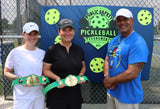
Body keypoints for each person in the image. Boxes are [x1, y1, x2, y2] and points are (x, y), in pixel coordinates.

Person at [103, 8, 149, 109]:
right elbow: (107, 60)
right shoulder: (113, 41)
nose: (122, 22)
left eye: (125, 19)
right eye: (119, 20)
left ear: (132, 21)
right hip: (111, 92)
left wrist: (111, 81)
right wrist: (107, 77)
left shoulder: (138, 43)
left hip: (128, 96)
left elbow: (132, 73)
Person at [43, 18, 86, 109]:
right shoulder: (52, 50)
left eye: (70, 30)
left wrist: (81, 75)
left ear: (74, 31)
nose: (67, 33)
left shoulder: (79, 49)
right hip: (56, 96)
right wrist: (57, 78)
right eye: (64, 30)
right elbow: (45, 70)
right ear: (59, 32)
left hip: (75, 96)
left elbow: (83, 66)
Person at [4, 22, 46, 109]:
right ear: (23, 35)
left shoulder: (42, 53)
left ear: (38, 35)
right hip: (22, 98)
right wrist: (20, 79)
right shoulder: (15, 52)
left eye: (35, 34)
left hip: (39, 96)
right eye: (29, 34)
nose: (32, 37)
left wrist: (44, 80)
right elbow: (6, 72)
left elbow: (45, 74)